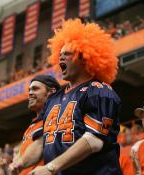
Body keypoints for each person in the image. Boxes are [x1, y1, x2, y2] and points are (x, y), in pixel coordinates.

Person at [17, 18, 121, 175]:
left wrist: (51, 167)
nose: (60, 58)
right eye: (59, 54)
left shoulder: (100, 91)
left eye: (67, 54)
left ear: (84, 58)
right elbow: (40, 143)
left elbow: (93, 141)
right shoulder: (53, 98)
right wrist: (19, 164)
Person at [9, 75, 61, 175]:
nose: (30, 93)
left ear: (51, 92)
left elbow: (39, 146)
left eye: (35, 89)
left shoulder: (58, 118)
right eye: (29, 90)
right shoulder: (32, 125)